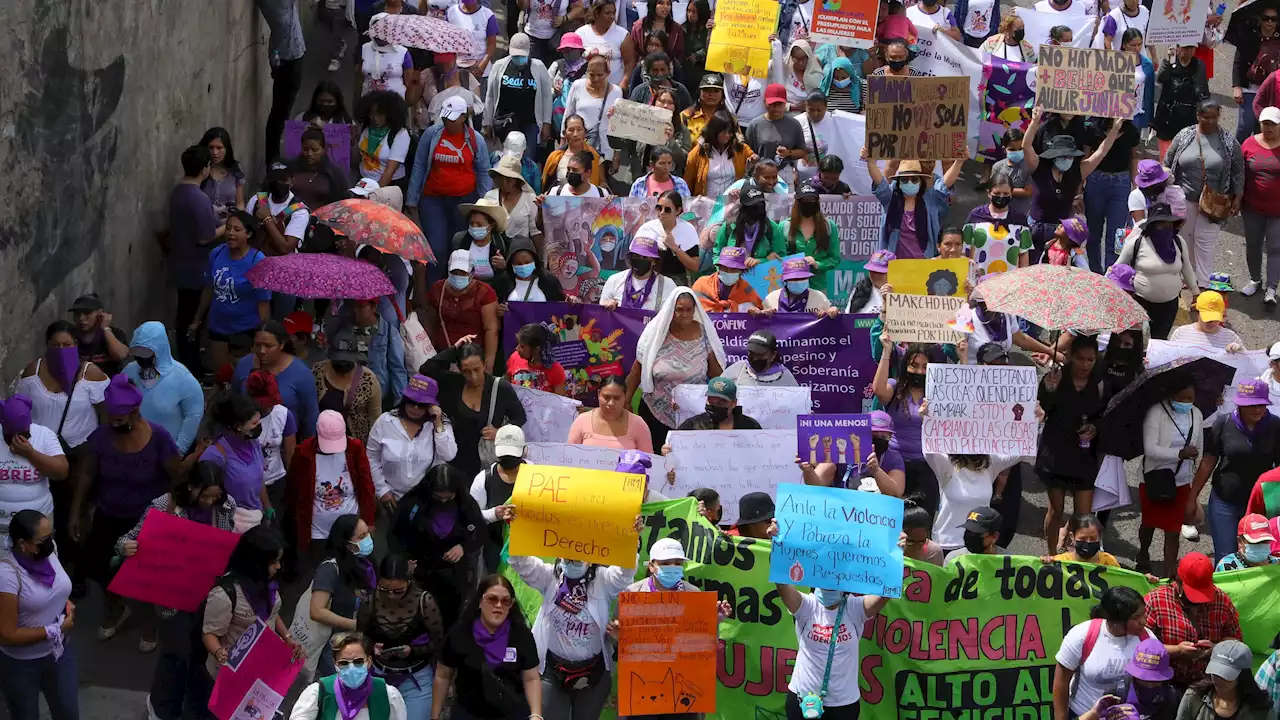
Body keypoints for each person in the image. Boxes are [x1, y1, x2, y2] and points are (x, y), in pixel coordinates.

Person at [74, 374, 186, 649]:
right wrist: (76, 512)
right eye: (110, 417)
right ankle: (115, 608)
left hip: (146, 519)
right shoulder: (101, 437)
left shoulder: (159, 437)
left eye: (119, 418)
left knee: (145, 576)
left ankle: (149, 623)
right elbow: (87, 473)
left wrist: (170, 510)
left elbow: (177, 475)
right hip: (108, 515)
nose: (114, 423)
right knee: (102, 569)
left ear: (135, 411)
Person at [506, 521, 638, 720]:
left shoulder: (604, 580)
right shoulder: (549, 576)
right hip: (552, 670)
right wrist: (517, 529)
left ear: (591, 559)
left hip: (594, 672)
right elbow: (521, 563)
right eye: (567, 559)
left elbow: (625, 573)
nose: (571, 563)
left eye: (577, 560)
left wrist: (631, 538)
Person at [767, 519, 890, 720]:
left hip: (843, 706)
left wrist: (896, 554)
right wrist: (776, 545)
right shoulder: (807, 606)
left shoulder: (855, 608)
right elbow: (781, 583)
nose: (830, 582)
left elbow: (886, 592)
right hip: (803, 701)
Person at [1190, 380, 1280, 563]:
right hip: (1225, 502)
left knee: (1259, 558)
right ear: (1239, 404)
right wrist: (1192, 498)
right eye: (1251, 405)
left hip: (1261, 506)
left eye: (1261, 404)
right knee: (1226, 557)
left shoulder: (1276, 426)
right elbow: (1208, 462)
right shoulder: (1223, 423)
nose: (1257, 410)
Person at [408, 96, 493, 286]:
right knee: (436, 248)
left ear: (463, 117)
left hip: (464, 201)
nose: (448, 121)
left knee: (458, 249)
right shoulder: (432, 134)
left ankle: (458, 289)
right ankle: (434, 292)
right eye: (445, 117)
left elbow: (484, 172)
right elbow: (420, 165)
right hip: (433, 199)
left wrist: (485, 204)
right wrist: (411, 200)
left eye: (452, 118)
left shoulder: (475, 139)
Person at [627, 287, 726, 448]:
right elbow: (638, 368)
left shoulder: (704, 334)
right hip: (655, 412)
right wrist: (627, 400)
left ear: (695, 310)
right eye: (680, 310)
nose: (685, 314)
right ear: (671, 309)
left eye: (689, 310)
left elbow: (717, 375)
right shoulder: (657, 333)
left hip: (693, 414)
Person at [432, 574, 542, 720]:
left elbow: (531, 678)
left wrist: (536, 715)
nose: (498, 605)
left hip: (512, 713)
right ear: (479, 601)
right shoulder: (460, 633)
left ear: (511, 604)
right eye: (492, 599)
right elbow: (443, 676)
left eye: (505, 601)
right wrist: (435, 715)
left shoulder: (522, 635)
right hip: (469, 714)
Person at [0, 509, 75, 720]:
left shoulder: (49, 551)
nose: (50, 542)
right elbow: (6, 634)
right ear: (23, 544)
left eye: (50, 535)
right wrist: (55, 629)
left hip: (59, 654)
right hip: (21, 664)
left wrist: (65, 602)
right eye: (44, 539)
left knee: (69, 713)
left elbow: (55, 589)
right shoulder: (7, 575)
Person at [1022, 106, 1124, 261]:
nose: (1067, 159)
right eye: (1063, 156)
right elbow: (1026, 146)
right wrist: (1035, 121)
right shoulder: (1039, 168)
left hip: (1062, 236)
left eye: (1070, 156)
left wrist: (1114, 130)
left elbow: (1100, 153)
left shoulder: (1077, 172)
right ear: (1053, 155)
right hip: (1035, 230)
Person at [391, 464, 486, 630]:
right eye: (438, 497)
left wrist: (463, 546)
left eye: (448, 498)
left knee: (451, 619)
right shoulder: (412, 504)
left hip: (454, 575)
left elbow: (479, 530)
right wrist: (403, 561)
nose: (443, 502)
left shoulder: (465, 504)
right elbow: (396, 536)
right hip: (419, 573)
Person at [202, 525, 297, 689]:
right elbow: (209, 633)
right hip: (231, 675)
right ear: (256, 563)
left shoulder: (267, 583)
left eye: (279, 561)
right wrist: (218, 652)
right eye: (273, 562)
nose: (279, 567)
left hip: (261, 666)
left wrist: (287, 637)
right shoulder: (225, 595)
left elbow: (272, 612)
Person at [353, 554, 444, 719]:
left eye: (398, 591)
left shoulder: (424, 601)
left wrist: (413, 650)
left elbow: (439, 641)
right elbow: (360, 637)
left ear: (408, 581)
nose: (391, 595)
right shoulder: (370, 601)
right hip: (378, 677)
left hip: (416, 679)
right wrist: (370, 648)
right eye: (384, 590)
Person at [1164, 101, 1243, 292]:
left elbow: (1238, 172)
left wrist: (1237, 197)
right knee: (1185, 241)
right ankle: (1188, 280)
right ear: (1198, 116)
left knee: (1205, 244)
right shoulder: (1184, 136)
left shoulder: (1229, 142)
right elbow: (1168, 162)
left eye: (1214, 117)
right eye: (1206, 117)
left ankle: (1203, 287)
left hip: (1213, 203)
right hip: (1183, 200)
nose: (1210, 121)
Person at [1038, 334, 1106, 555]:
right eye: (1080, 359)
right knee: (1056, 511)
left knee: (1083, 516)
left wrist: (1095, 427)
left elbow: (1106, 415)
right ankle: (1051, 554)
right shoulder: (1056, 377)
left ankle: (1079, 556)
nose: (1085, 364)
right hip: (1055, 452)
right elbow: (1042, 410)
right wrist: (1049, 389)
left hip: (1084, 456)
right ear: (1069, 357)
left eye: (1090, 359)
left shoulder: (1100, 383)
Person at [420, 338, 527, 478]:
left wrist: (500, 432)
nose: (473, 376)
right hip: (455, 462)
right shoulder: (452, 384)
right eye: (467, 371)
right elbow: (426, 370)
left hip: (486, 464)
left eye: (477, 369)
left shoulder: (500, 387)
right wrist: (454, 348)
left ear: (485, 364)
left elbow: (519, 417)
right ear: (459, 369)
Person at [1144, 552, 1242, 690]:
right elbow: (1141, 648)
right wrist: (1177, 650)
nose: (1199, 602)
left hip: (1208, 682)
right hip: (1165, 682)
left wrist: (1216, 648)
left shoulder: (1222, 601)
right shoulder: (1155, 602)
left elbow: (1236, 642)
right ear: (1178, 581)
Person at [1053, 587, 1152, 720]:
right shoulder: (1082, 635)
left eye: (1144, 614)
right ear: (1116, 621)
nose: (1144, 622)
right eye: (1136, 617)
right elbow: (1061, 682)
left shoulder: (1146, 637)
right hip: (1084, 714)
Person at [190, 210, 271, 371]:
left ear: (248, 234)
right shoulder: (217, 253)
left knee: (242, 373)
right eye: (228, 228)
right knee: (222, 372)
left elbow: (263, 303)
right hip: (218, 325)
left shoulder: (258, 261)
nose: (230, 233)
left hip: (244, 330)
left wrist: (263, 336)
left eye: (237, 230)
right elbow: (209, 289)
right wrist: (197, 320)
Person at [168, 144, 222, 374]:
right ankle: (192, 366)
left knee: (184, 315)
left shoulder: (177, 192)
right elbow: (205, 237)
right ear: (205, 169)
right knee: (192, 319)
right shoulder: (198, 197)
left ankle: (187, 360)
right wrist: (226, 226)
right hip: (196, 268)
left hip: (180, 263)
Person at [367, 374, 457, 507]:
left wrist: (437, 424)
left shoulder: (440, 424)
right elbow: (371, 458)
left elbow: (448, 455)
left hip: (427, 500)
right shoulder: (385, 421)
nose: (415, 408)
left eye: (421, 405)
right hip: (392, 499)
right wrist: (382, 490)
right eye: (411, 402)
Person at [872, 335, 938, 514]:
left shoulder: (939, 392)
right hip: (895, 463)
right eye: (914, 366)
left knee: (922, 520)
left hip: (926, 466)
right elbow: (878, 390)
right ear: (905, 366)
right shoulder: (896, 388)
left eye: (925, 367)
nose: (919, 372)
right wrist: (886, 350)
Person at [307, 514, 378, 678]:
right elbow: (316, 611)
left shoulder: (366, 563)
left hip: (359, 643)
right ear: (346, 543)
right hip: (333, 646)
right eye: (361, 537)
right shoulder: (330, 569)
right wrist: (355, 624)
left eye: (367, 533)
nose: (367, 539)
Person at [922, 439, 1022, 555]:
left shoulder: (991, 464)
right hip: (948, 542)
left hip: (978, 544)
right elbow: (928, 450)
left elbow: (1021, 452)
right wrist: (928, 421)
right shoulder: (946, 464)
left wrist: (1032, 423)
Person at [1116, 198, 1197, 339]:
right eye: (1158, 225)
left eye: (1166, 224)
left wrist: (1196, 292)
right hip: (1140, 302)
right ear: (1151, 226)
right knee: (1137, 339)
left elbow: (1187, 267)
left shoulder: (1178, 243)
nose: (1163, 228)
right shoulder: (1137, 243)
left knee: (1159, 341)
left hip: (1169, 304)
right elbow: (1117, 269)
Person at [124, 324, 204, 457]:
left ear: (159, 349)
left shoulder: (183, 379)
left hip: (165, 455)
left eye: (146, 352)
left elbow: (193, 416)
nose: (140, 357)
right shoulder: (129, 371)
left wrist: (178, 452)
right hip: (132, 451)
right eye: (137, 352)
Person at [291, 631, 409, 720]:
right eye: (344, 663)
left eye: (358, 661)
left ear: (368, 661)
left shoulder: (388, 695)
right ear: (335, 665)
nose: (351, 667)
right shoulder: (318, 693)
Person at [234, 321, 321, 438]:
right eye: (258, 345)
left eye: (269, 346)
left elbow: (310, 417)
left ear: (282, 345)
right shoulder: (243, 365)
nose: (262, 351)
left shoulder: (301, 374)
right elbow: (233, 402)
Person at [200, 394, 272, 531]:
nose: (259, 426)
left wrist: (267, 507)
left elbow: (259, 479)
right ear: (237, 426)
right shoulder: (215, 455)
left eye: (259, 421)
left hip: (257, 519)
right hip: (231, 524)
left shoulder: (254, 443)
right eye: (254, 423)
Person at [0, 395, 68, 538]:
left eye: (25, 434)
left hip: (37, 525)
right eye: (12, 436)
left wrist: (30, 454)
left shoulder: (44, 435)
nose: (19, 439)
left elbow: (62, 472)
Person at [868, 158, 963, 259]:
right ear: (899, 183)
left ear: (920, 182)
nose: (910, 183)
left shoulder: (931, 199)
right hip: (894, 262)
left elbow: (946, 183)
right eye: (905, 180)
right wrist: (869, 161)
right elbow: (879, 182)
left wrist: (959, 162)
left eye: (914, 180)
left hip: (924, 263)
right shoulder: (890, 199)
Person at [425, 250, 501, 374]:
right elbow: (431, 322)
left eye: (463, 273)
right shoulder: (438, 289)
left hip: (472, 358)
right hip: (443, 356)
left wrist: (488, 364)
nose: (458, 276)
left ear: (472, 273)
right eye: (455, 272)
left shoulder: (485, 292)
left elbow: (491, 330)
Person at [484, 34, 553, 157]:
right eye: (516, 56)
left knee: (528, 158)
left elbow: (547, 96)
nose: (519, 59)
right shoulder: (499, 66)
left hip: (530, 122)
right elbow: (490, 96)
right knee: (505, 159)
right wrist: (487, 122)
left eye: (522, 56)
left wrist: (547, 123)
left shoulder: (539, 67)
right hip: (505, 121)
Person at [257, 0, 305, 164]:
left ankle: (273, 159)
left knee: (281, 111)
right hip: (286, 56)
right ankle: (272, 161)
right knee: (280, 112)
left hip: (291, 52)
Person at [1241, 106, 1280, 305]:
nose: (1268, 128)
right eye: (1265, 124)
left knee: (1275, 247)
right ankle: (1255, 280)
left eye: (1273, 124)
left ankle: (1271, 289)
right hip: (1252, 207)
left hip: (1277, 211)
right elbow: (1239, 174)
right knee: (1253, 245)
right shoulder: (1249, 143)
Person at [1177, 640, 1273, 720]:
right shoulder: (1194, 696)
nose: (1218, 679)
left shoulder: (1260, 707)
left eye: (1226, 674)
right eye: (1215, 671)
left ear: (1242, 674)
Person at [778, 181, 841, 293]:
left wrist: (818, 264)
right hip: (790, 287)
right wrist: (794, 263)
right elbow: (778, 257)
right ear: (797, 202)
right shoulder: (784, 227)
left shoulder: (829, 226)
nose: (808, 205)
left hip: (818, 288)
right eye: (804, 202)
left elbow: (835, 258)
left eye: (812, 202)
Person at [564, 54, 624, 169]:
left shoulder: (617, 92)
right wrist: (563, 141)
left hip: (605, 150)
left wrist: (616, 156)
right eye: (592, 75)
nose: (596, 79)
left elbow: (618, 126)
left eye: (600, 75)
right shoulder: (577, 86)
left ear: (608, 73)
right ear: (586, 73)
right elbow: (568, 115)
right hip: (579, 147)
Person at [1232, 7, 1280, 142]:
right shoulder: (1248, 36)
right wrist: (1237, 86)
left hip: (1272, 90)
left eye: (1273, 19)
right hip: (1250, 87)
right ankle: (1236, 154)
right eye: (1266, 18)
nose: (1269, 22)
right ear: (1260, 19)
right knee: (1245, 126)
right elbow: (1238, 62)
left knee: (1266, 127)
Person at [567, 376, 653, 451]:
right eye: (606, 397)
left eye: (617, 398)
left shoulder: (638, 424)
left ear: (625, 396)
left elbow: (649, 461)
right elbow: (569, 456)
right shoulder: (582, 421)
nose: (611, 403)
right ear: (598, 394)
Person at [601, 233, 681, 310]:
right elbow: (602, 314)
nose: (640, 260)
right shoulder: (614, 281)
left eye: (645, 258)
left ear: (653, 261)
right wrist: (607, 305)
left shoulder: (667, 284)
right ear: (631, 258)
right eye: (636, 256)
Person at [685, 110, 754, 197]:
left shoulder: (740, 148)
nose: (727, 135)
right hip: (706, 205)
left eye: (730, 132)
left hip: (732, 204)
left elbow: (755, 159)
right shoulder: (698, 152)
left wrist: (754, 160)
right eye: (723, 132)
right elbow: (688, 182)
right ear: (714, 131)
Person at [744, 84, 806, 179]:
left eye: (780, 104)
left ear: (785, 104)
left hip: (785, 172)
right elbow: (746, 151)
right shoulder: (754, 125)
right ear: (765, 103)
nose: (776, 108)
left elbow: (802, 152)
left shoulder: (794, 124)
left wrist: (788, 153)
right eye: (772, 104)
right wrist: (752, 158)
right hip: (761, 173)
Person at [289, 127, 352, 211]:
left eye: (315, 150)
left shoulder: (334, 173)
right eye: (305, 149)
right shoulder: (290, 168)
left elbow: (343, 201)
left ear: (324, 149)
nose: (310, 154)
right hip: (292, 217)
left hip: (322, 220)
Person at [485, 155, 540, 248]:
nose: (505, 183)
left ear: (516, 180)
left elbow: (535, 232)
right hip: (496, 251)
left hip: (521, 253)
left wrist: (540, 260)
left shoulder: (530, 199)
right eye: (502, 178)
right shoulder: (490, 197)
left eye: (509, 179)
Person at [691, 244, 763, 313]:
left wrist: (756, 311)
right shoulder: (701, 284)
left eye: (733, 269)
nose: (728, 272)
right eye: (724, 268)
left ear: (740, 271)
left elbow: (759, 309)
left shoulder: (747, 289)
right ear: (719, 267)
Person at [673, 376, 762, 431]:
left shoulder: (750, 426)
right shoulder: (693, 425)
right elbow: (676, 447)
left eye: (721, 402)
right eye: (711, 401)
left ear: (733, 403)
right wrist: (667, 450)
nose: (715, 406)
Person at [199, 127, 246, 225]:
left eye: (219, 148)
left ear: (226, 149)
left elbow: (240, 203)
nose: (215, 153)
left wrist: (237, 222)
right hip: (204, 225)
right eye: (211, 147)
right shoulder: (200, 169)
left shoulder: (235, 169)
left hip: (229, 226)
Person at [543, 115, 606, 188]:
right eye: (571, 130)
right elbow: (546, 186)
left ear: (585, 133)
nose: (575, 134)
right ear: (564, 133)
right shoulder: (555, 157)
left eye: (579, 130)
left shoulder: (595, 157)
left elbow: (603, 184)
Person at [1170, 292, 1246, 351]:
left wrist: (1241, 352)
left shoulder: (1230, 337)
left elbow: (1249, 364)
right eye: (1208, 320)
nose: (1212, 323)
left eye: (1216, 319)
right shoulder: (1181, 333)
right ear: (1198, 312)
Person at [506, 323, 568, 395]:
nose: (517, 349)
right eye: (518, 344)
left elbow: (560, 402)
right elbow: (505, 388)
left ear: (536, 349)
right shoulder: (514, 358)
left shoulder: (555, 369)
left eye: (522, 346)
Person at [722, 329, 798, 387]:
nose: (755, 358)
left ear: (773, 355)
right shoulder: (737, 370)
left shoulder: (785, 377)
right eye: (752, 353)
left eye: (760, 354)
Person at [1047, 512, 1121, 567]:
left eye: (1093, 538)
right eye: (1083, 538)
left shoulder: (1111, 563)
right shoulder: (1059, 562)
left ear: (1100, 537)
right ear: (1072, 537)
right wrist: (1044, 565)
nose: (1088, 542)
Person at [765, 256, 833, 313]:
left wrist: (832, 312)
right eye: (793, 279)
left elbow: (831, 321)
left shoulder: (819, 298)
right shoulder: (771, 299)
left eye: (802, 278)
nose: (798, 281)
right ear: (786, 280)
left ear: (808, 278)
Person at [944, 505, 1009, 564]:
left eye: (977, 533)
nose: (971, 536)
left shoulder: (1009, 561)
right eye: (968, 531)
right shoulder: (954, 559)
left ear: (995, 536)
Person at [1215, 514, 1280, 571]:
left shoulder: (1276, 564)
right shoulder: (1227, 566)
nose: (1261, 545)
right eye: (1255, 542)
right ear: (1240, 541)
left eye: (1265, 541)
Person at [846, 250, 894, 315]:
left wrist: (890, 299)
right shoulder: (860, 288)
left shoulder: (901, 292)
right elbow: (848, 316)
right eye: (872, 271)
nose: (875, 275)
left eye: (880, 272)